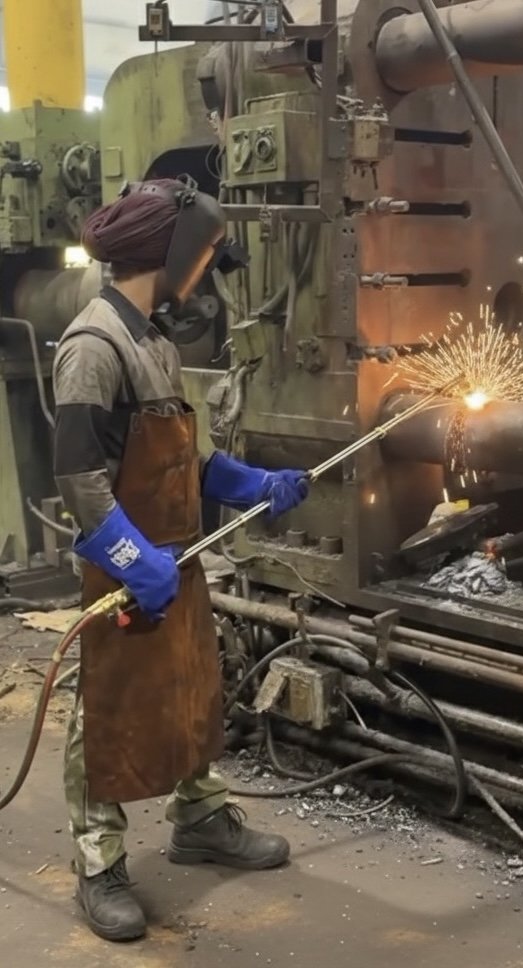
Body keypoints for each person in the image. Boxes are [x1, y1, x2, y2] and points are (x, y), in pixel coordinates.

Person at [52, 178, 309, 943]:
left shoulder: (152, 337)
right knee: (108, 706)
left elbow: (177, 463)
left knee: (193, 683)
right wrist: (133, 559)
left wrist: (251, 483)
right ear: (169, 254)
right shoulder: (94, 346)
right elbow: (80, 480)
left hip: (174, 554)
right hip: (127, 561)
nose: (202, 271)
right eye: (197, 257)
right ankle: (98, 864)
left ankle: (200, 819)